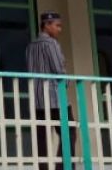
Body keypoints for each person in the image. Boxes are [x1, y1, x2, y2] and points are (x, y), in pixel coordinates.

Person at [25, 11, 76, 170]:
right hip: (56, 97)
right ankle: (64, 167)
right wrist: (67, 82)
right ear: (46, 25)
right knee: (69, 134)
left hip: (38, 99)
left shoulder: (30, 46)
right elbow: (58, 70)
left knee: (42, 138)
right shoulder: (51, 44)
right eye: (57, 25)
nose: (59, 29)